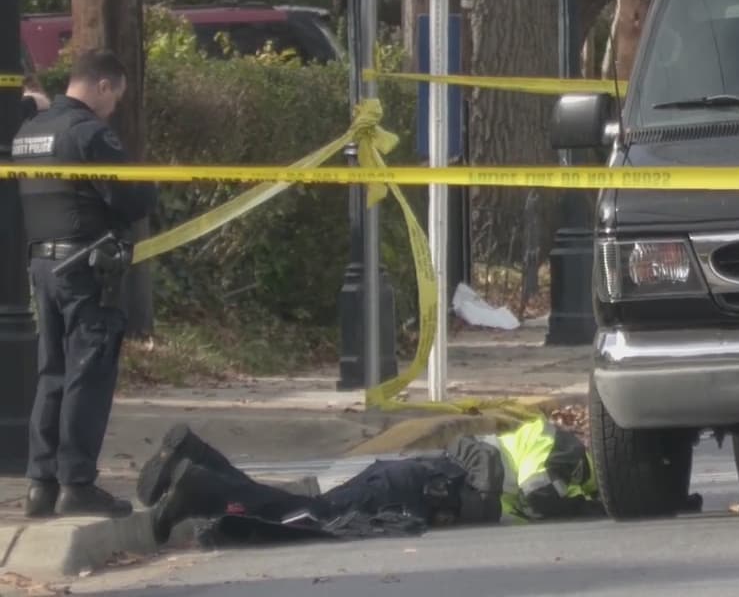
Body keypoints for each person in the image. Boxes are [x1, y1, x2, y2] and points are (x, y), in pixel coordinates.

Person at [11, 50, 157, 519]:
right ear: (103, 85)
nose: (114, 107)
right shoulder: (90, 133)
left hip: (43, 266)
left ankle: (41, 484)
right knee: (88, 374)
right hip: (86, 269)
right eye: (116, 96)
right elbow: (130, 199)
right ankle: (76, 484)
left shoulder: (30, 132)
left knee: (52, 372)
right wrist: (150, 185)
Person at [137, 416, 603, 546]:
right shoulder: (567, 451)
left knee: (302, 510)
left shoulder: (579, 473)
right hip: (415, 488)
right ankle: (197, 490)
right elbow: (539, 496)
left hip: (413, 483)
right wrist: (590, 507)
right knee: (311, 517)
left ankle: (196, 459)